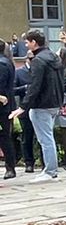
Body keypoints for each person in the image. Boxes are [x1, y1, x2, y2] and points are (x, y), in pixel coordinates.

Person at [22, 28, 66, 179]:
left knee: (46, 139)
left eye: (27, 42)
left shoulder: (38, 61)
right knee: (48, 138)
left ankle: (50, 171)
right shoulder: (54, 57)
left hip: (41, 105)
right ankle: (50, 169)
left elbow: (35, 86)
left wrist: (23, 106)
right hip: (54, 103)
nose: (26, 45)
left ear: (34, 42)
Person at [0, 40, 17, 179]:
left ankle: (10, 168)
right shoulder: (6, 61)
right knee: (5, 138)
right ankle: (10, 167)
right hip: (6, 106)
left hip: (2, 107)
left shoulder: (1, 64)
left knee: (5, 138)